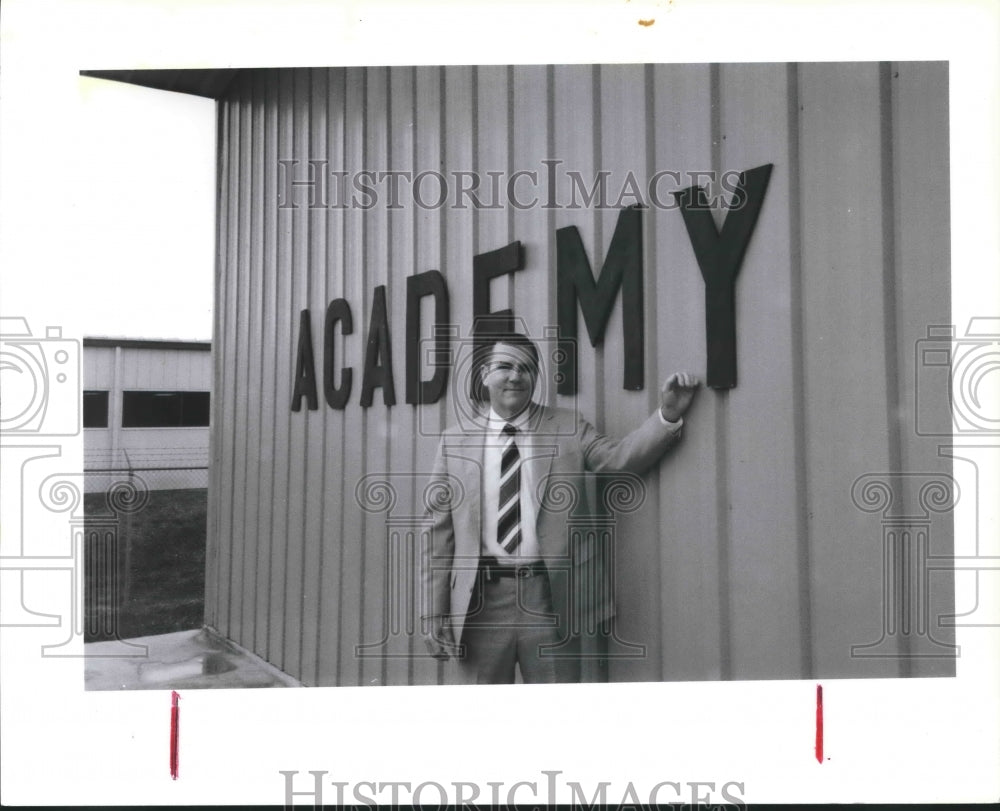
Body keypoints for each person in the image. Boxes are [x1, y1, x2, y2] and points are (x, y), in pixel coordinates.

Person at [421, 332, 699, 684]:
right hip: (480, 608)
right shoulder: (454, 440)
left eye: (526, 368)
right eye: (504, 366)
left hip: (550, 600)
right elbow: (438, 534)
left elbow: (617, 460)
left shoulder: (567, 427)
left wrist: (667, 416)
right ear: (484, 375)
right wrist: (433, 612)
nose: (515, 376)